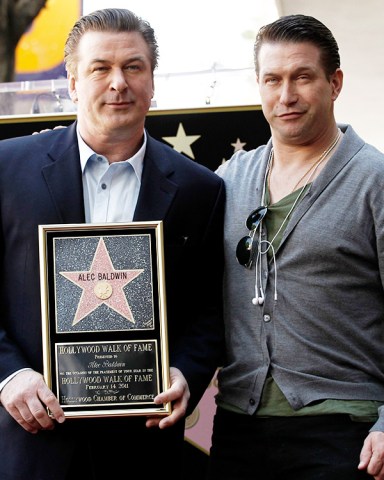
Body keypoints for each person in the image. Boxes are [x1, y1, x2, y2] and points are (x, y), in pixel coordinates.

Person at [0, 8, 225, 480]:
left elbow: (209, 310)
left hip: (143, 451)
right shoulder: (7, 169)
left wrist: (186, 373)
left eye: (133, 67)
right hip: (31, 446)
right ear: (73, 81)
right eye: (100, 68)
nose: (118, 82)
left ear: (152, 80)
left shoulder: (200, 189)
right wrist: (8, 374)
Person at [207, 13, 384, 480]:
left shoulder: (375, 181)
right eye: (273, 79)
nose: (286, 96)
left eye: (302, 77)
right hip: (238, 430)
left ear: (335, 83)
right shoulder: (230, 178)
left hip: (346, 432)